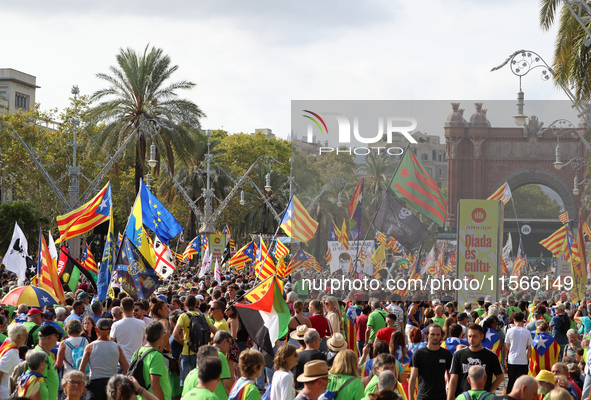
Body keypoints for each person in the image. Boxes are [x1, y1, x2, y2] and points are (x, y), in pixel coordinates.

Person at [447, 324, 504, 400]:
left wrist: (489, 391)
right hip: (463, 397)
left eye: (475, 336)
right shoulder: (459, 355)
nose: (471, 339)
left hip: (483, 397)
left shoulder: (491, 356)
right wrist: (450, 397)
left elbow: (500, 377)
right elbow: (453, 379)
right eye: (469, 336)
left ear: (482, 336)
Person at [172, 294, 217, 386]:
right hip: (201, 353)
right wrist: (210, 341)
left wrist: (182, 341)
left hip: (187, 352)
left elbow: (175, 333)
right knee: (199, 382)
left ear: (185, 304)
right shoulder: (204, 317)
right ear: (196, 304)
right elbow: (216, 331)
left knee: (186, 383)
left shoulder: (183, 316)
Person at [80, 318, 129, 400]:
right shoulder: (117, 347)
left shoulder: (90, 347)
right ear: (109, 330)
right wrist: (119, 382)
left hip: (95, 384)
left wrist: (86, 384)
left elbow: (81, 369)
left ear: (96, 329)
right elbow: (126, 368)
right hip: (112, 384)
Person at [130, 321, 171, 400]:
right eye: (164, 333)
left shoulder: (137, 352)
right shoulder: (156, 355)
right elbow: (154, 383)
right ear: (160, 335)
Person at [410, 324, 452, 400]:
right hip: (423, 397)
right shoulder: (419, 354)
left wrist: (451, 396)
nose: (435, 337)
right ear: (427, 335)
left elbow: (451, 379)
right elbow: (412, 378)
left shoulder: (446, 354)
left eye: (438, 334)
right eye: (432, 334)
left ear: (441, 335)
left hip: (441, 397)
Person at [504, 312, 533, 393]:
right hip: (523, 360)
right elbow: (530, 349)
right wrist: (527, 360)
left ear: (514, 320)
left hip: (512, 360)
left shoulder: (509, 331)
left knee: (511, 381)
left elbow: (507, 346)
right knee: (522, 383)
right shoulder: (527, 332)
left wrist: (508, 355)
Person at [0, 323, 27, 399]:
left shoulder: (8, 345)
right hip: (5, 394)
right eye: (25, 335)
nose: (26, 338)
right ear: (19, 337)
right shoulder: (11, 352)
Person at [34, 324, 61, 400]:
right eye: (56, 336)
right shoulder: (40, 355)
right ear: (49, 338)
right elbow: (40, 382)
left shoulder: (46, 352)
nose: (57, 338)